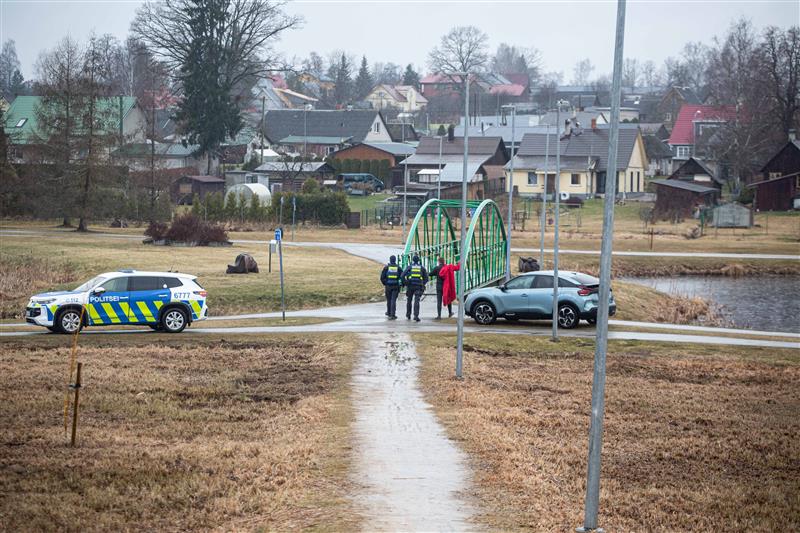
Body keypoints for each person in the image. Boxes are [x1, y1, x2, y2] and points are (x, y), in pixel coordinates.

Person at [402, 255, 428, 322]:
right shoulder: (422, 268)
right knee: (417, 301)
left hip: (410, 286)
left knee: (409, 300)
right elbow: (426, 278)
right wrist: (423, 284)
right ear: (418, 260)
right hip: (418, 286)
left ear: (413, 260)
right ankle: (416, 316)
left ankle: (408, 314)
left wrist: (406, 282)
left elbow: (402, 275)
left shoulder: (409, 267)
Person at [380, 255, 401, 320]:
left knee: (389, 300)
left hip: (388, 286)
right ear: (395, 260)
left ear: (390, 260)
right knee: (393, 300)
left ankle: (389, 312)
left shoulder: (386, 268)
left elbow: (382, 278)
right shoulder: (398, 268)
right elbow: (402, 277)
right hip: (395, 286)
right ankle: (393, 314)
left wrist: (385, 283)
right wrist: (400, 284)